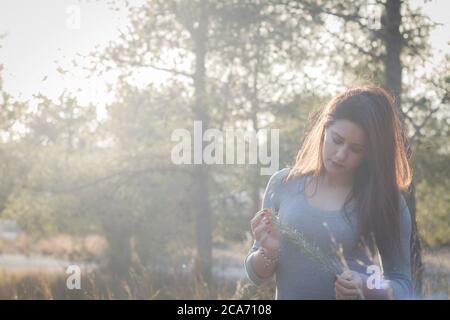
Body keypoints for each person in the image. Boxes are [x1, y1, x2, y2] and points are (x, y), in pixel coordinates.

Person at [244, 86, 413, 299]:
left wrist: (367, 286)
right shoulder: (283, 183)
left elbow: (404, 287)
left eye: (356, 149)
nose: (341, 155)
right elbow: (257, 276)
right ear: (324, 131)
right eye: (337, 140)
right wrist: (268, 252)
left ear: (371, 153)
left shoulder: (387, 201)